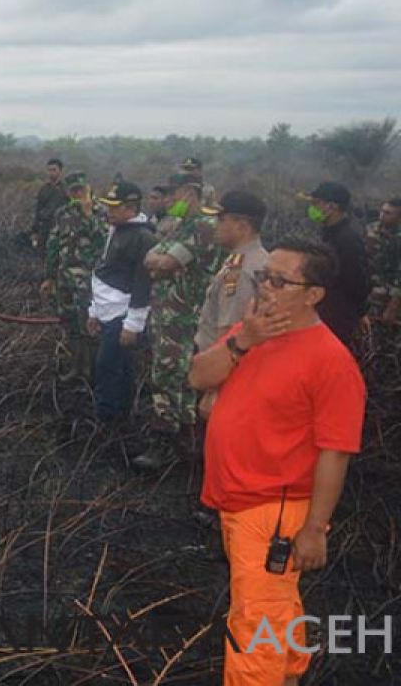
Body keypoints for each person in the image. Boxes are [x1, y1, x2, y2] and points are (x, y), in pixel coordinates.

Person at [189, 238, 365, 686]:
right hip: (236, 499)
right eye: (264, 276)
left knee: (254, 624)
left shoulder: (331, 362)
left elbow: (335, 451)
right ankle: (288, 674)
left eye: (280, 280)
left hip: (273, 512)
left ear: (313, 294)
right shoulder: (253, 330)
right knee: (274, 604)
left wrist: (314, 529)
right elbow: (197, 376)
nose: (266, 287)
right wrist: (242, 342)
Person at [133, 172, 220, 472]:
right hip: (167, 314)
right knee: (174, 376)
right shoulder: (182, 227)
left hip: (184, 317)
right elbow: (150, 258)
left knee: (170, 376)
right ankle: (184, 441)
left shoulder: (204, 228)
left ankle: (165, 442)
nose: (169, 201)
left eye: (174, 195)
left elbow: (166, 262)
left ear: (190, 194)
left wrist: (161, 263)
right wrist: (159, 263)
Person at [87, 181, 157, 423]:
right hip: (107, 312)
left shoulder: (143, 238)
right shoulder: (115, 230)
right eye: (109, 206)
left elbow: (143, 284)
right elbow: (104, 271)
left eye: (115, 207)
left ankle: (108, 420)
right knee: (115, 367)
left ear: (130, 207)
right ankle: (114, 417)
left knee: (109, 367)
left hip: (122, 315)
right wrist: (94, 311)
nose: (109, 211)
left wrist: (133, 324)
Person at [40, 171, 107, 381]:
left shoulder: (102, 212)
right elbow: (54, 244)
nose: (77, 194)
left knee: (89, 326)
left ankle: (92, 372)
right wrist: (49, 276)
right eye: (73, 191)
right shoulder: (63, 213)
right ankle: (76, 368)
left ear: (88, 189)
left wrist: (88, 216)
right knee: (69, 324)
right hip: (65, 278)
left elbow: (104, 243)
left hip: (90, 279)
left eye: (81, 190)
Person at [194, 191, 271, 353]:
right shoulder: (264, 259)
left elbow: (229, 332)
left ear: (242, 226)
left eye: (221, 220)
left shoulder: (238, 271)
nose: (215, 225)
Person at [301, 182, 370, 349]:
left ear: (331, 207)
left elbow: (356, 280)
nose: (312, 208)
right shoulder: (329, 232)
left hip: (337, 314)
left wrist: (361, 312)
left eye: (316, 203)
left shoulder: (347, 239)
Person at [365, 197, 401, 324]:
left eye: (388, 213)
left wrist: (393, 306)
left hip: (389, 297)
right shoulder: (370, 230)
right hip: (367, 293)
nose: (382, 216)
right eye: (382, 211)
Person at [31, 158, 68, 251]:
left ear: (60, 170)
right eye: (49, 170)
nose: (51, 173)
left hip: (62, 228)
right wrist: (35, 231)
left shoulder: (66, 189)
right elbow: (38, 210)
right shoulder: (44, 189)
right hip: (45, 228)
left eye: (54, 170)